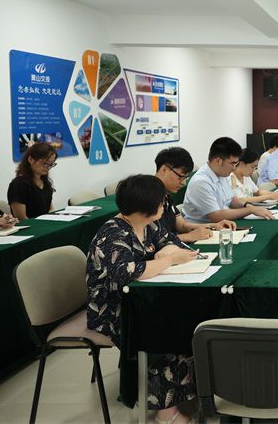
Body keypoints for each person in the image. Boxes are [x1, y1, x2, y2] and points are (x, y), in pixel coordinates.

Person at [86, 175, 199, 424]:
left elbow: (172, 242)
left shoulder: (148, 224)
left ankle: (184, 392)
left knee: (188, 321)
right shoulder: (112, 233)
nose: (164, 205)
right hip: (112, 309)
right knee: (163, 333)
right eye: (161, 201)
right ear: (145, 206)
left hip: (141, 299)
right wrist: (168, 260)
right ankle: (166, 414)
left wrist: (164, 254)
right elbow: (126, 273)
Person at [182, 137, 274, 223]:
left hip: (222, 224)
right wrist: (250, 210)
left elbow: (231, 200)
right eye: (232, 163)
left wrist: (248, 206)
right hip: (204, 229)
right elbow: (216, 216)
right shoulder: (201, 182)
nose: (234, 168)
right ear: (218, 161)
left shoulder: (221, 174)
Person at [153, 146, 235, 243]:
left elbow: (182, 226)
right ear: (164, 170)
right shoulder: (148, 197)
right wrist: (188, 236)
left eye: (186, 178)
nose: (183, 183)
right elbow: (152, 242)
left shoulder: (166, 195)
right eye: (181, 177)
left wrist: (214, 226)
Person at [8, 142, 57, 220]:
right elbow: (21, 218)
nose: (48, 167)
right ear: (31, 160)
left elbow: (50, 209)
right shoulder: (18, 184)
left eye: (51, 164)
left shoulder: (45, 183)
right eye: (45, 163)